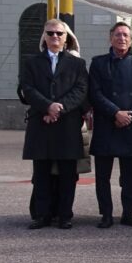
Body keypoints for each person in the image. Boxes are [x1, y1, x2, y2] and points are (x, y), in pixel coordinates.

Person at [20, 19, 88, 230]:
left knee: (68, 174)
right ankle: (42, 215)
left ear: (66, 38)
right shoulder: (31, 62)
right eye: (50, 33)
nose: (55, 37)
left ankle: (65, 215)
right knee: (41, 174)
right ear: (44, 36)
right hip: (40, 124)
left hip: (67, 125)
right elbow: (27, 89)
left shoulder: (77, 64)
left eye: (59, 33)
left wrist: (59, 109)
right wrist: (47, 107)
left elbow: (81, 90)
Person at [89, 21, 132, 228]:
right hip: (106, 125)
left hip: (130, 127)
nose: (122, 38)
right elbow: (95, 93)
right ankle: (106, 214)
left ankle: (128, 213)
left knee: (130, 176)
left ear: (131, 40)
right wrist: (115, 112)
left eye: (125, 35)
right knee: (102, 177)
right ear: (111, 38)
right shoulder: (98, 63)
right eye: (118, 35)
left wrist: (131, 115)